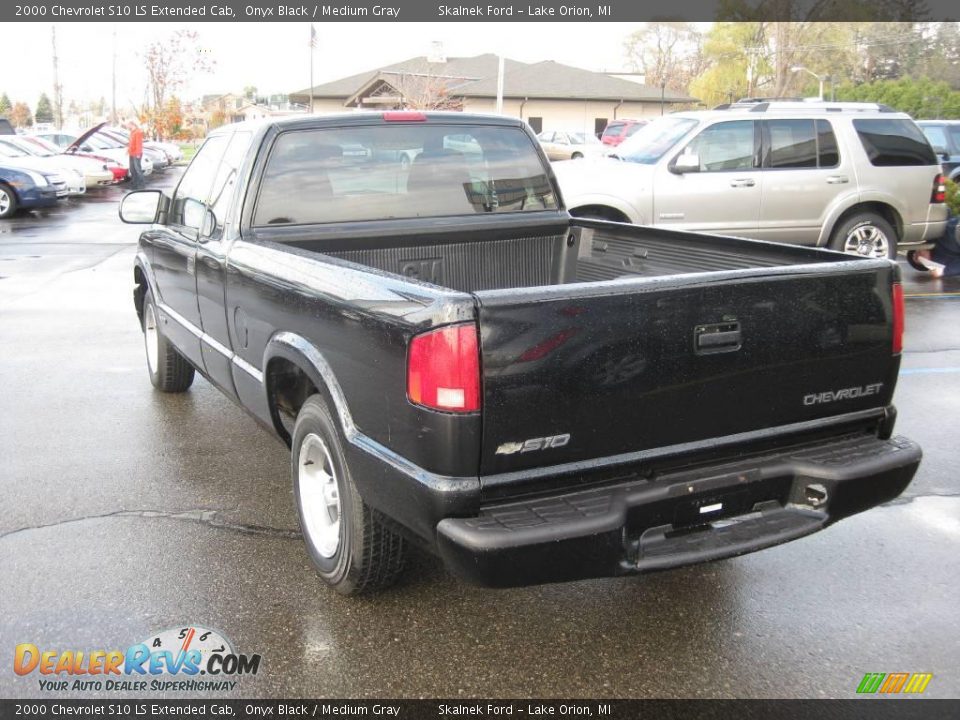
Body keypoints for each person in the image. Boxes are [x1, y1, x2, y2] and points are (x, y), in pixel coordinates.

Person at [127, 121, 144, 189]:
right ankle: (134, 183)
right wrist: (128, 150)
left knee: (137, 169)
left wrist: (138, 154)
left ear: (132, 124)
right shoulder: (132, 132)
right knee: (132, 169)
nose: (127, 126)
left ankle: (141, 184)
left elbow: (139, 144)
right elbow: (131, 143)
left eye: (128, 125)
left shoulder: (138, 132)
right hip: (131, 153)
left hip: (136, 153)